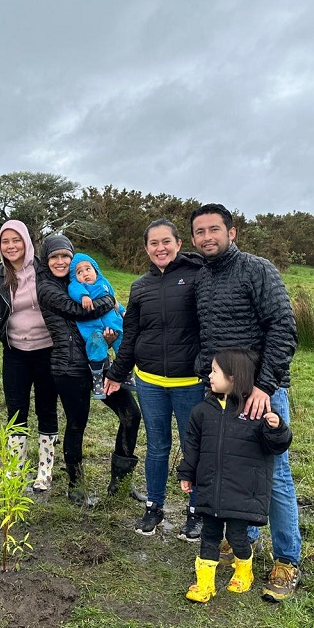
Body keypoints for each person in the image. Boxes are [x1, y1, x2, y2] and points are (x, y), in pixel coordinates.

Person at [190, 202, 301, 602]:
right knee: (232, 467)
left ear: (231, 232)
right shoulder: (201, 276)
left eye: (214, 230)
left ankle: (288, 561)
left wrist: (265, 387)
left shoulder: (258, 269)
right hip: (220, 394)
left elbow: (284, 327)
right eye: (200, 232)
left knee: (275, 475)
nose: (207, 237)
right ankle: (244, 541)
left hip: (260, 393)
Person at [104, 219, 205, 538]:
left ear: (178, 243)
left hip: (190, 382)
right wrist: (118, 372)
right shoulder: (140, 287)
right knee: (158, 446)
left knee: (195, 449)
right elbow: (131, 332)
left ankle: (196, 513)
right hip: (149, 382)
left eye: (166, 242)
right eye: (153, 243)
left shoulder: (197, 276)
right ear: (146, 248)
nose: (160, 248)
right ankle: (154, 507)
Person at [177, 348, 292, 603]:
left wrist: (277, 429)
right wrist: (187, 473)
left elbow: (277, 447)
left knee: (236, 537)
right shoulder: (202, 412)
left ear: (234, 377)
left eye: (214, 371)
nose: (209, 376)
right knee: (209, 537)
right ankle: (204, 584)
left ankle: (244, 570)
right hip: (209, 491)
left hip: (241, 494)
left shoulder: (257, 412)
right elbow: (192, 446)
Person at [36, 234, 143, 504]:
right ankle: (76, 485)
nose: (60, 261)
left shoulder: (83, 279)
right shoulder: (46, 288)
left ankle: (120, 483)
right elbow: (81, 311)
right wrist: (110, 299)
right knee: (76, 424)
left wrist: (107, 334)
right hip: (68, 368)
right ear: (46, 259)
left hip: (98, 361)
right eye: (54, 256)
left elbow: (97, 318)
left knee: (131, 414)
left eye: (65, 256)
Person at [0, 220, 60, 492]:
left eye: (16, 240)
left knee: (46, 409)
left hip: (48, 351)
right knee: (16, 412)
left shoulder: (44, 269)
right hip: (15, 352)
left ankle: (45, 471)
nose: (11, 246)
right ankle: (14, 471)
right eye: (5, 241)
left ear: (26, 241)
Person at [67, 253, 125, 398]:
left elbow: (114, 300)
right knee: (96, 343)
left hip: (111, 323)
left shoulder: (104, 283)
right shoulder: (77, 286)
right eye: (79, 272)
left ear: (96, 270)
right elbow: (74, 289)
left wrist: (123, 311)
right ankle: (97, 378)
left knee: (122, 340)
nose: (85, 274)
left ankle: (124, 371)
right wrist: (84, 296)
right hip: (92, 327)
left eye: (88, 269)